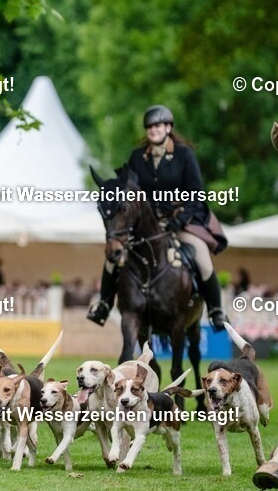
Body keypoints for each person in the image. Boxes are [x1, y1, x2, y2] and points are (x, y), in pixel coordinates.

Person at [87, 105, 227, 331]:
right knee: (112, 258)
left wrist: (180, 220)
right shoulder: (137, 157)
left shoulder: (184, 155)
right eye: (150, 126)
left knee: (203, 259)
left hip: (180, 221)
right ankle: (103, 304)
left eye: (158, 125)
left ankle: (216, 311)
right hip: (146, 225)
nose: (153, 129)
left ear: (168, 128)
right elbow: (129, 190)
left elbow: (196, 194)